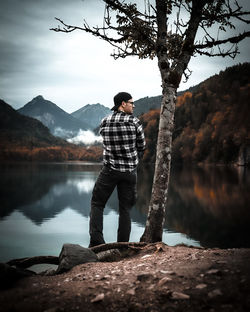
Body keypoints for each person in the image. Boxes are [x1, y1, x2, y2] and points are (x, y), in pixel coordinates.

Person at [89, 92, 146, 247]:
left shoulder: (104, 121)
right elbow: (142, 146)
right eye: (131, 103)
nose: (133, 105)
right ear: (122, 104)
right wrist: (133, 157)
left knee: (97, 203)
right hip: (129, 172)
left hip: (110, 170)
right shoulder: (135, 122)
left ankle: (96, 242)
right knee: (125, 209)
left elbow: (105, 141)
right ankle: (122, 246)